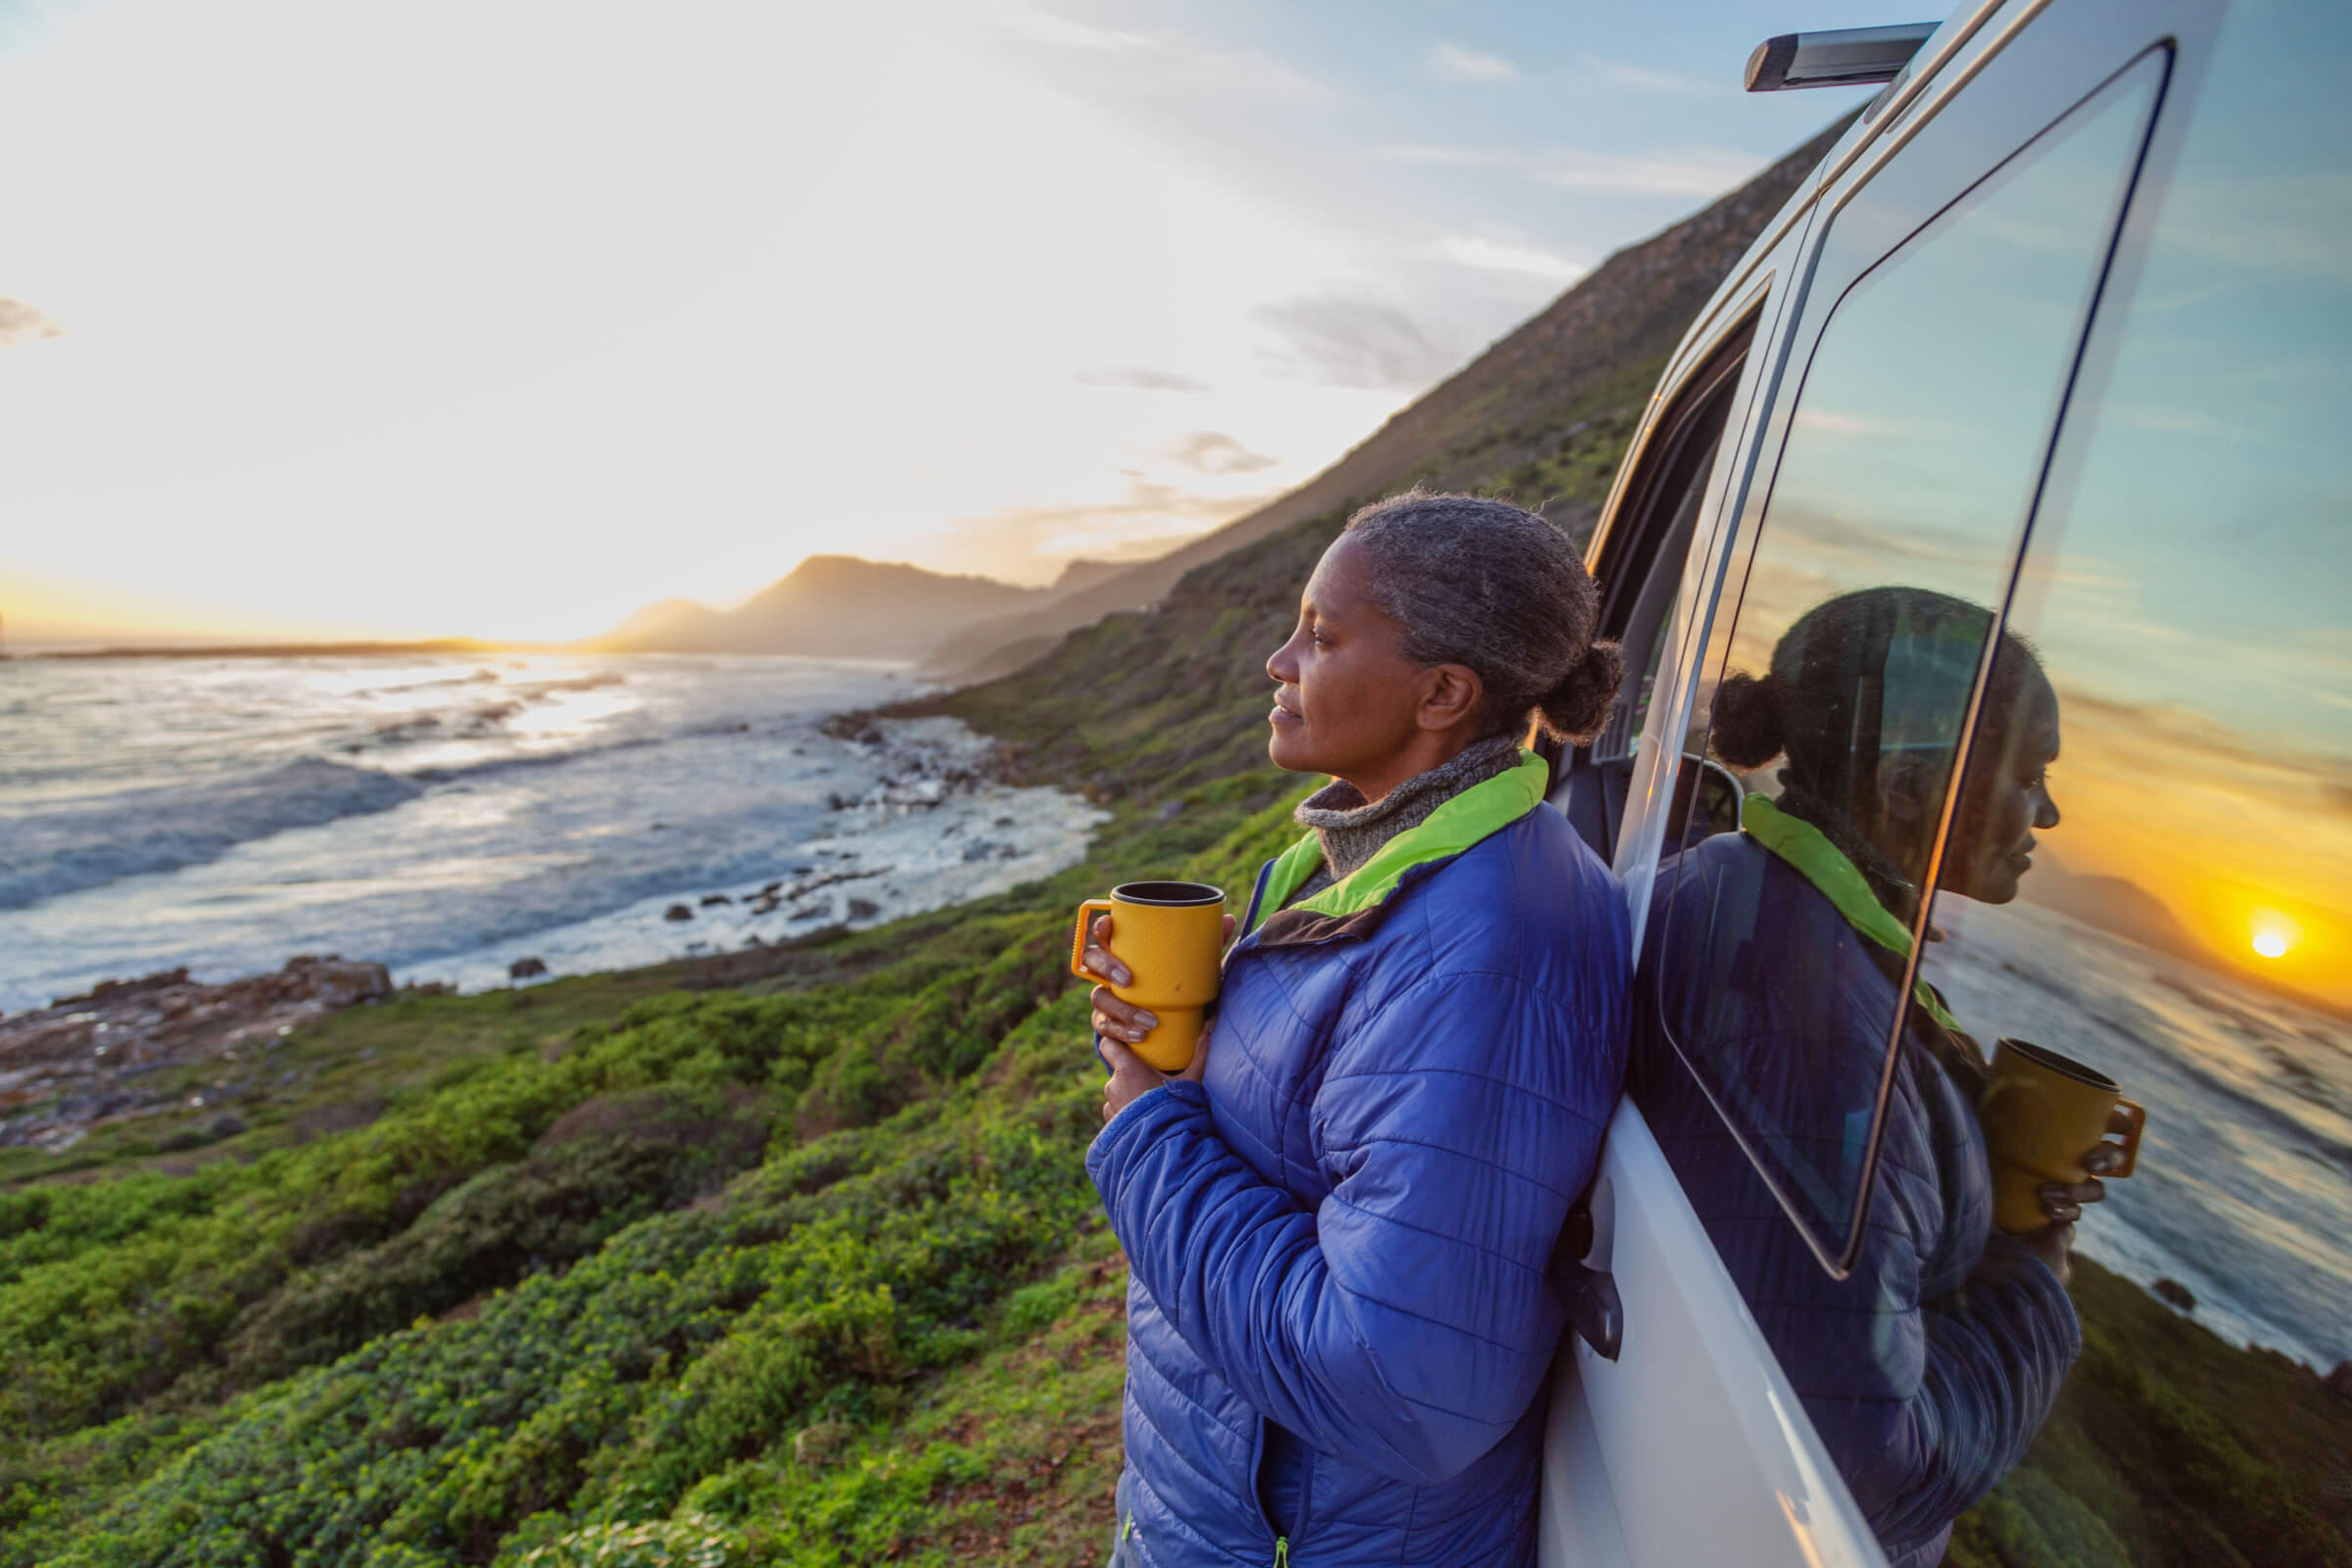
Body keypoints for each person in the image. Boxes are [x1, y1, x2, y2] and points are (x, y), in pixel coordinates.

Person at [1078, 491, 1631, 1568]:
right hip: (1225, 1509)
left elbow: (1394, 1384)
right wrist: (1208, 1037)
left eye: (1322, 637)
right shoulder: (1352, 866)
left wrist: (1148, 1125)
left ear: (1441, 692)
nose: (1278, 662)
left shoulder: (1488, 950)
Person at [1635, 586, 2125, 1568]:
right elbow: (1858, 1467)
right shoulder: (1815, 1014)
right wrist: (2032, 1276)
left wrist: (1955, 1149)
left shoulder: (1743, 885)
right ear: (1905, 786)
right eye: (2029, 776)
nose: (2050, 811)